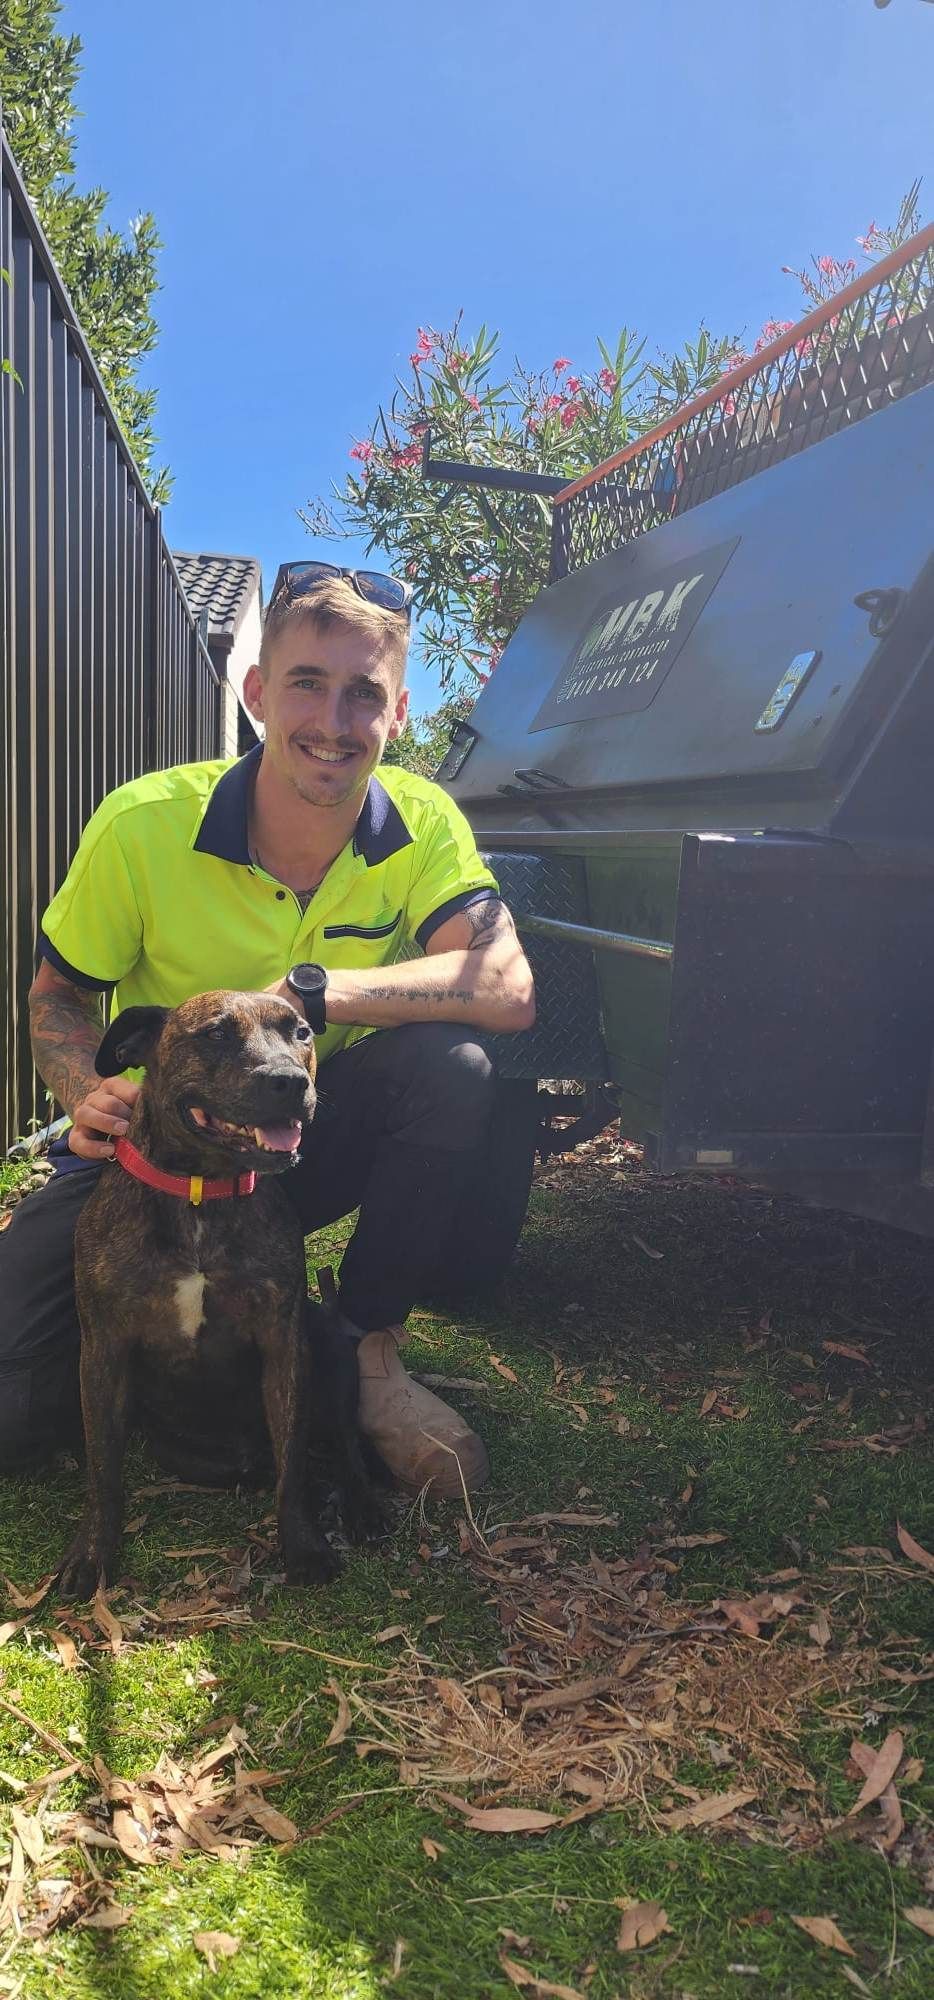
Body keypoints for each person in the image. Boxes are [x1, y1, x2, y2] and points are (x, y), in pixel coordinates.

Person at [0, 562, 535, 1497]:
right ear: (256, 692)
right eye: (306, 684)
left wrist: (312, 993)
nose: (334, 721)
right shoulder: (143, 824)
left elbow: (505, 983)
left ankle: (366, 1351)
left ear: (399, 712)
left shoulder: (424, 822)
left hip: (301, 1138)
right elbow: (57, 998)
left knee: (451, 1066)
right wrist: (86, 1093)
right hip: (154, 1153)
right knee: (15, 1407)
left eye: (364, 693)